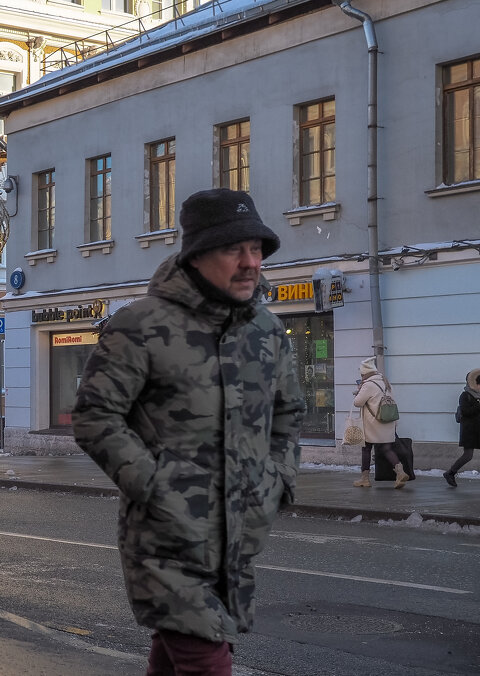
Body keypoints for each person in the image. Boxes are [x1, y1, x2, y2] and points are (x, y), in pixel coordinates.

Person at [71, 188, 304, 676]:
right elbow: (95, 415)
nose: (250, 263)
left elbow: (288, 414)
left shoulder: (266, 331)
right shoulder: (140, 325)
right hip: (166, 538)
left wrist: (277, 480)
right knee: (205, 657)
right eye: (233, 249)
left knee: (181, 648)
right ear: (197, 255)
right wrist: (157, 486)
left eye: (256, 249)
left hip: (238, 536)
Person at [352, 357, 408, 489]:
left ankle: (365, 479)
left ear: (365, 373)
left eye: (361, 373)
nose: (361, 375)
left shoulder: (368, 384)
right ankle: (400, 472)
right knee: (386, 448)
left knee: (366, 449)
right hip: (388, 421)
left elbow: (358, 403)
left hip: (372, 424)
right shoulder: (385, 382)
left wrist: (359, 391)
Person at [445, 368, 480, 487]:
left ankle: (450, 473)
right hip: (470, 430)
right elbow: (466, 411)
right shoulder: (465, 395)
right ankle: (450, 473)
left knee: (468, 455)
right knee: (468, 455)